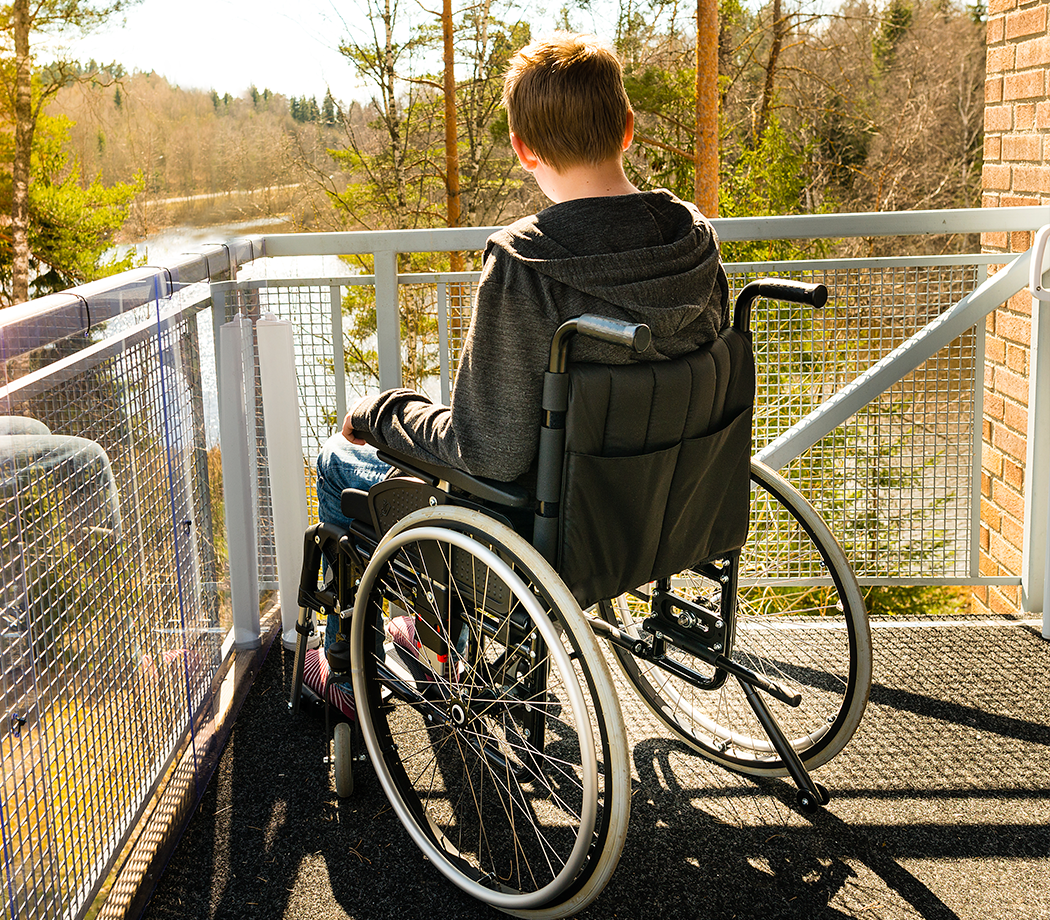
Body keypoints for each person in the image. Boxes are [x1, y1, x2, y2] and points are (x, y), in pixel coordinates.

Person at [313, 31, 729, 662]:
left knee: (339, 461)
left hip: (546, 538)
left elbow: (490, 452)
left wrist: (381, 413)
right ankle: (430, 638)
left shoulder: (524, 264)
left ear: (522, 147)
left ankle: (351, 670)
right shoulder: (694, 240)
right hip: (672, 509)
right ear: (627, 128)